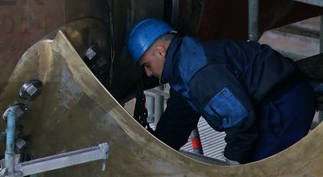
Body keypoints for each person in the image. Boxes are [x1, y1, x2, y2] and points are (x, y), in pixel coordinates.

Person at [127, 18, 316, 164]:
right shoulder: (183, 68)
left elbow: (239, 117)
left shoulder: (197, 70)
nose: (148, 73)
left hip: (283, 102)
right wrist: (154, 154)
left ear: (160, 51)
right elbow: (177, 120)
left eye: (147, 65)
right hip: (273, 101)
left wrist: (233, 160)